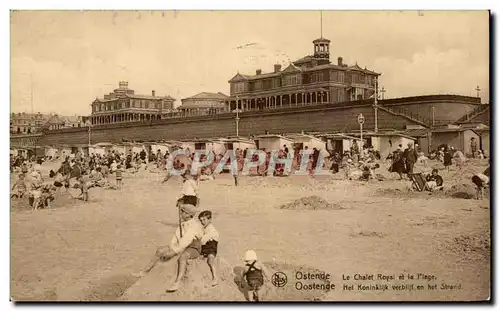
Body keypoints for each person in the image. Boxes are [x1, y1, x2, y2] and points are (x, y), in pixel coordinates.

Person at [199, 210, 219, 287]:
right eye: (201, 220)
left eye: (204, 220)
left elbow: (203, 240)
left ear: (209, 219)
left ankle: (215, 278)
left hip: (211, 248)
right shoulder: (205, 228)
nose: (202, 222)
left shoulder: (211, 229)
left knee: (210, 260)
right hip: (204, 248)